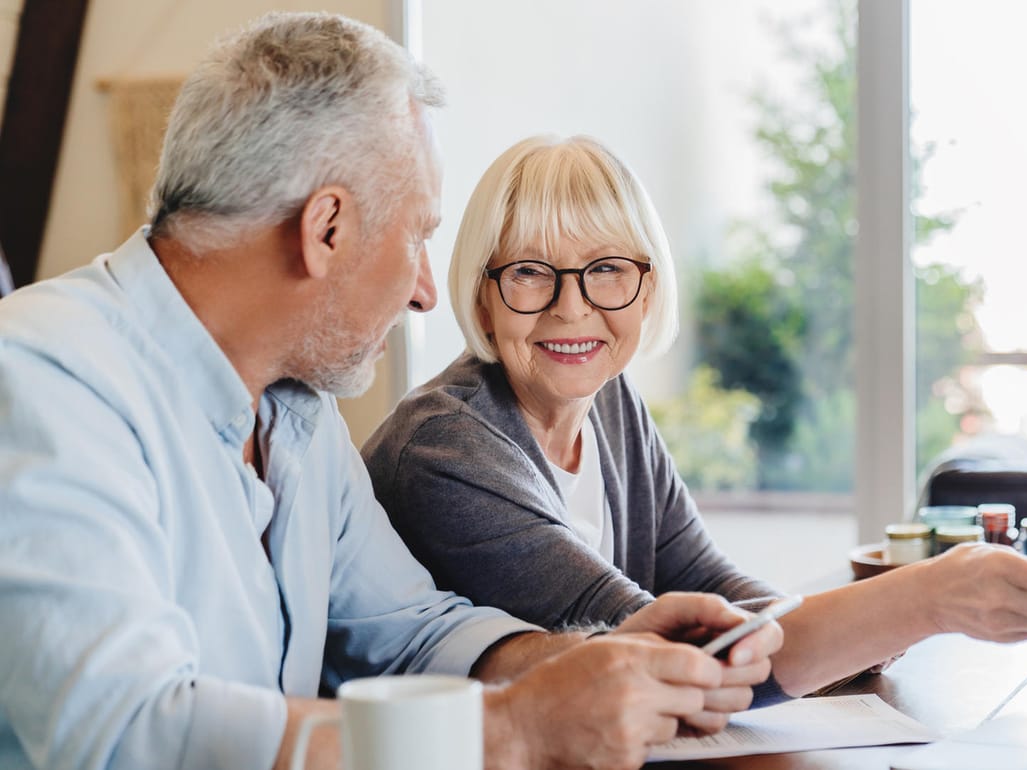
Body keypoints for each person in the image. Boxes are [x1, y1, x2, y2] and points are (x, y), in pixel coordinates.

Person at [0, 16, 782, 770]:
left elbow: (411, 631)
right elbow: (122, 730)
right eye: (417, 236)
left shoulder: (298, 413)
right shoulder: (41, 377)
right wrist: (509, 732)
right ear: (327, 229)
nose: (424, 293)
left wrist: (592, 661)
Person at [362, 134, 1027, 700]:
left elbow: (706, 581)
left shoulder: (611, 403)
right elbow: (668, 654)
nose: (572, 306)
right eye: (530, 271)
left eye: (606, 271)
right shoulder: (446, 448)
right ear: (483, 293)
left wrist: (848, 635)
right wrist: (919, 600)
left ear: (647, 289)